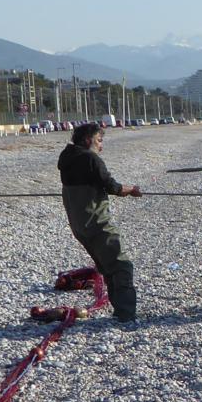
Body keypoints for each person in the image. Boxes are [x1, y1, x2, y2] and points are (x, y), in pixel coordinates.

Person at [57, 122, 142, 322]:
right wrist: (131, 190)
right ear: (88, 140)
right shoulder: (90, 159)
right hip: (97, 223)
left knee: (107, 267)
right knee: (121, 266)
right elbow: (112, 186)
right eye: (99, 140)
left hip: (79, 226)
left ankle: (120, 310)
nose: (101, 146)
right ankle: (125, 314)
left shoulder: (65, 158)